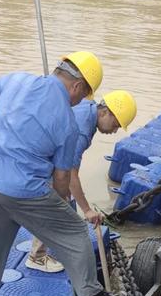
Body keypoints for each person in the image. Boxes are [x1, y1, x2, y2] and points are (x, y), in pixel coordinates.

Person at [0, 51, 125, 296]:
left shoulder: (17, 80)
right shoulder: (68, 123)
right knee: (74, 230)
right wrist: (61, 207)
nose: (79, 101)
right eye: (82, 95)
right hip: (22, 189)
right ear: (76, 86)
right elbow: (61, 179)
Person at [26, 90, 137, 273]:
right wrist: (86, 209)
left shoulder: (86, 105)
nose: (115, 130)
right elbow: (70, 174)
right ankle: (37, 257)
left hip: (37, 147)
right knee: (53, 201)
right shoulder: (82, 130)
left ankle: (56, 236)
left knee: (64, 195)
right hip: (37, 160)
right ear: (104, 112)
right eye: (115, 124)